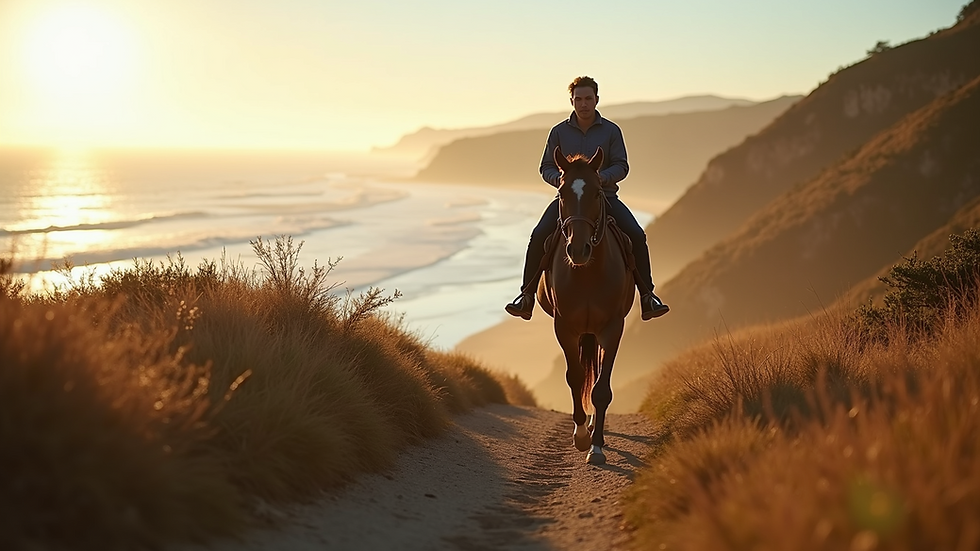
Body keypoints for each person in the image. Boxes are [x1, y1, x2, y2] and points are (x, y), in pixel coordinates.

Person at [504, 75, 669, 321]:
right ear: (571, 101)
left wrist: (601, 179)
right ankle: (526, 296)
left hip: (605, 197)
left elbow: (622, 166)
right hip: (569, 200)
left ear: (596, 100)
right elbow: (546, 167)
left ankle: (648, 297)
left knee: (636, 234)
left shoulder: (612, 131)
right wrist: (562, 181)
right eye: (578, 99)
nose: (583, 104)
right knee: (539, 235)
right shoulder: (558, 132)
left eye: (588, 99)